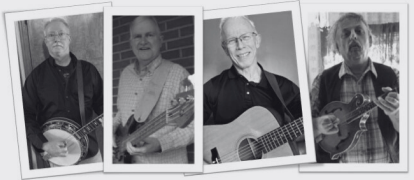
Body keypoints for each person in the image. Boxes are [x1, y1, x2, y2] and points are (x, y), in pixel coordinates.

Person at [203, 16, 303, 155]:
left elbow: (310, 127)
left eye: (245, 37)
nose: (240, 45)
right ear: (225, 49)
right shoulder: (211, 89)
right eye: (232, 40)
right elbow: (187, 130)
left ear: (257, 40)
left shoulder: (284, 87)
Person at [311, 13, 399, 163]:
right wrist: (318, 124)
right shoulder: (322, 80)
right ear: (337, 47)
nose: (353, 37)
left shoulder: (394, 76)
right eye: (345, 34)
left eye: (359, 31)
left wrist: (396, 114)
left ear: (370, 40)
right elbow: (305, 128)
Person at [22, 18, 104, 167]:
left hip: (91, 156)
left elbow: (103, 105)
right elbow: (26, 116)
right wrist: (44, 144)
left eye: (61, 34)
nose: (56, 39)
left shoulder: (88, 71)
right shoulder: (35, 77)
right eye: (51, 35)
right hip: (58, 159)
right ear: (46, 41)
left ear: (69, 38)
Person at [112, 16, 194, 164]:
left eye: (149, 35)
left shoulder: (180, 75)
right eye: (137, 36)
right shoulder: (125, 74)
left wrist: (161, 143)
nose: (143, 41)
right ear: (131, 43)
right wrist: (112, 130)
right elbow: (121, 113)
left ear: (160, 40)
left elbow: (194, 128)